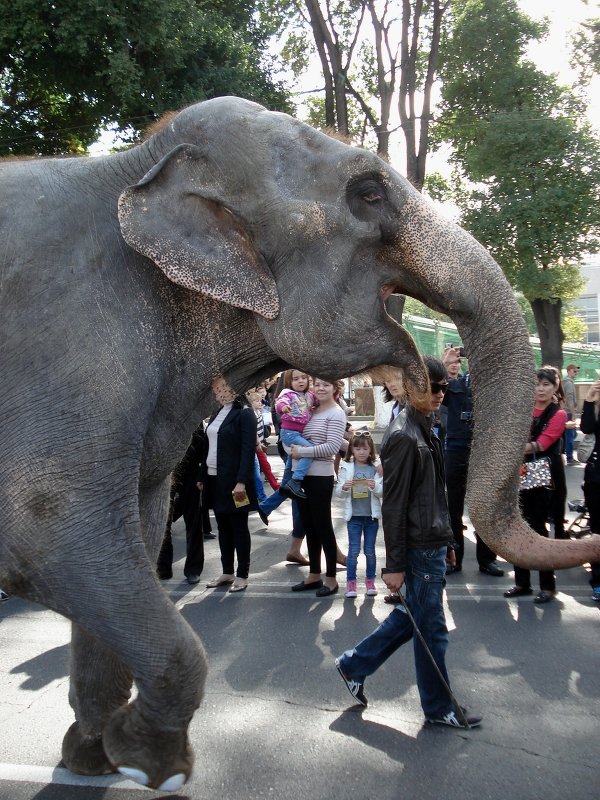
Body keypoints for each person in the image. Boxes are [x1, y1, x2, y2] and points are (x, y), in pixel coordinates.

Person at [334, 357, 481, 728]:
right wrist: (394, 566)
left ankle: (353, 664)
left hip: (432, 542)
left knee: (413, 617)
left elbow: (437, 492)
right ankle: (439, 707)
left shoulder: (427, 426)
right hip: (417, 549)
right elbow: (394, 506)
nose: (442, 394)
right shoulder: (403, 435)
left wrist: (448, 537)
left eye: (445, 387)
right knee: (431, 629)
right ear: (413, 386)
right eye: (435, 387)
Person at [504, 367, 567, 604]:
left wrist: (510, 448)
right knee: (517, 527)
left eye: (545, 385)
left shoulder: (558, 414)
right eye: (537, 384)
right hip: (520, 473)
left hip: (545, 476)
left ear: (555, 387)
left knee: (540, 530)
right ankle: (521, 582)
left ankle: (547, 585)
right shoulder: (523, 410)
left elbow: (542, 444)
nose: (540, 389)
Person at [441, 346, 504, 577]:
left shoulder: (491, 386)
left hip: (482, 450)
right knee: (453, 508)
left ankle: (487, 559)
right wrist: (445, 363)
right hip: (456, 448)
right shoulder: (454, 385)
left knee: (484, 507)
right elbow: (436, 390)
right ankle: (454, 557)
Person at [200, 378, 259, 593]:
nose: (217, 392)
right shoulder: (217, 412)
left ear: (235, 389)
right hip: (214, 477)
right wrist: (202, 475)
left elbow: (247, 450)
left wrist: (242, 481)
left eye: (222, 388)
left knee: (239, 527)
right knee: (223, 527)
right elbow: (208, 446)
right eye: (216, 389)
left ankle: (242, 574)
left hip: (235, 481)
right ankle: (227, 571)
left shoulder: (244, 412)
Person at [289, 378, 346, 596]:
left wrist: (301, 452)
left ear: (335, 389)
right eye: (318, 384)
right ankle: (314, 574)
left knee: (323, 526)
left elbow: (332, 446)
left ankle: (331, 579)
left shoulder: (337, 413)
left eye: (326, 385)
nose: (321, 388)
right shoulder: (309, 410)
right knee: (309, 526)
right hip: (300, 476)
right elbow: (292, 430)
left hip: (320, 477)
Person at [156, 422, 211, 585]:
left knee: (193, 521)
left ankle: (193, 569)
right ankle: (163, 567)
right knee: (163, 522)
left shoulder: (193, 418)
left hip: (190, 472)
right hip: (166, 472)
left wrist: (201, 476)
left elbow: (203, 448)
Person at [336, 431, 383, 598]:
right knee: (354, 550)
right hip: (354, 517)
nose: (361, 452)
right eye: (357, 448)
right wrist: (344, 487)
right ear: (352, 450)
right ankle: (351, 583)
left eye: (365, 448)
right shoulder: (346, 467)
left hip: (371, 517)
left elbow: (382, 492)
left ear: (371, 450)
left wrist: (374, 487)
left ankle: (370, 581)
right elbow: (338, 493)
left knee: (370, 550)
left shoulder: (376, 468)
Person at [275, 369, 317, 500]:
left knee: (293, 462)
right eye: (296, 379)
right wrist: (283, 407)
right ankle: (295, 481)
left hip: (299, 433)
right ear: (289, 381)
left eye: (303, 378)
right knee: (310, 451)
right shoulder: (288, 393)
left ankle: (286, 486)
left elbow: (320, 399)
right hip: (289, 432)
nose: (301, 381)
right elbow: (280, 402)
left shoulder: (309, 395)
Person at [580, 379, 600, 601]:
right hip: (596, 477)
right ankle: (598, 580)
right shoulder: (595, 404)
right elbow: (587, 427)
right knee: (597, 530)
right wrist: (589, 401)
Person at [563, 364, 579, 464]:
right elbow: (570, 399)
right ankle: (569, 457)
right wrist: (573, 413)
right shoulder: (568, 383)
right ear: (568, 371)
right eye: (574, 371)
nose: (576, 373)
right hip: (568, 412)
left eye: (577, 372)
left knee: (572, 434)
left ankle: (567, 453)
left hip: (567, 412)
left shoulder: (568, 382)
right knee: (570, 435)